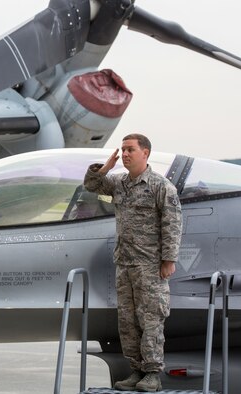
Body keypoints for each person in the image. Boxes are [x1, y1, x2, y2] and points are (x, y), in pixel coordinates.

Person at [84, 133, 182, 392]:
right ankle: (135, 370)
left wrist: (168, 259)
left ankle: (152, 374)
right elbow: (91, 186)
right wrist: (103, 169)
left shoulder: (161, 186)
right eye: (123, 150)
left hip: (150, 265)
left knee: (151, 319)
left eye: (130, 150)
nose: (125, 154)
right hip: (125, 264)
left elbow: (172, 224)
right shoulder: (118, 183)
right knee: (127, 321)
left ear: (145, 153)